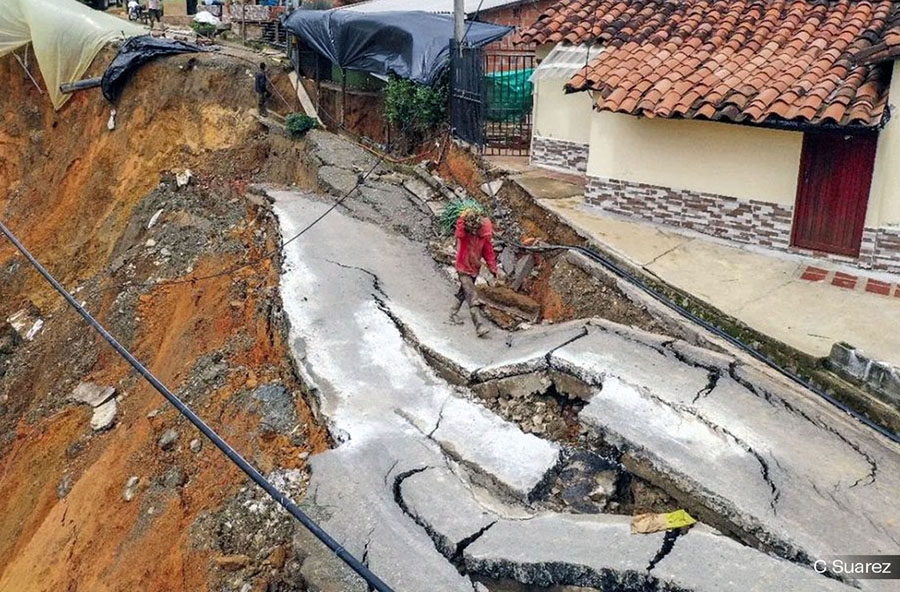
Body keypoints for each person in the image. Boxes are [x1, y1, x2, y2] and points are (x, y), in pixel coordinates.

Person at [449, 210, 501, 337]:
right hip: (462, 268)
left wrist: (493, 268)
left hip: (474, 269)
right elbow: (459, 234)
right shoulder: (464, 233)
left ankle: (452, 313)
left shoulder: (484, 235)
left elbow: (488, 252)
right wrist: (461, 219)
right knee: (472, 296)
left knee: (463, 292)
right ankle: (479, 326)